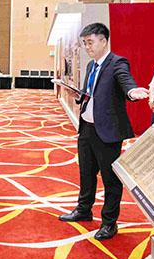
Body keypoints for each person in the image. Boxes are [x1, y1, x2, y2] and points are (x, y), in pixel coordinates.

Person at [58, 23, 148, 241]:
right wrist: (78, 95)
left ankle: (109, 222)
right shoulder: (91, 65)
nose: (87, 47)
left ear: (104, 41)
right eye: (85, 43)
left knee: (110, 179)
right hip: (86, 129)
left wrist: (132, 91)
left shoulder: (117, 62)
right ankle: (84, 209)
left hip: (107, 131)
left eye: (90, 42)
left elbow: (125, 80)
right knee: (86, 173)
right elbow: (91, 93)